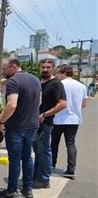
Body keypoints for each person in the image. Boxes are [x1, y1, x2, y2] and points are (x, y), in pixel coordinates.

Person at [0, 58, 41, 198]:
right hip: (32, 125)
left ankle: (11, 191)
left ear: (14, 67)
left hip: (16, 127)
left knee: (14, 159)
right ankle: (28, 189)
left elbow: (12, 105)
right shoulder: (35, 79)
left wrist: (1, 121)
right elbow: (39, 102)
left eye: (4, 69)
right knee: (27, 157)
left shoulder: (13, 82)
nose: (3, 72)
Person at [32, 58, 67, 189]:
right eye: (43, 67)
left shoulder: (56, 84)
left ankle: (44, 179)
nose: (45, 69)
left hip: (45, 123)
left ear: (53, 68)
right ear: (39, 68)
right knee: (37, 151)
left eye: (48, 67)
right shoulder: (37, 82)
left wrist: (46, 114)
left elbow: (63, 104)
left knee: (44, 151)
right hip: (34, 123)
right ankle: (36, 176)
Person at [51, 64, 87, 179]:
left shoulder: (59, 84)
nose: (56, 75)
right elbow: (84, 104)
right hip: (74, 119)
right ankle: (71, 169)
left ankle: (51, 164)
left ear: (63, 73)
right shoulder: (81, 86)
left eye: (58, 73)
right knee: (70, 143)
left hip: (58, 118)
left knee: (54, 143)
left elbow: (54, 101)